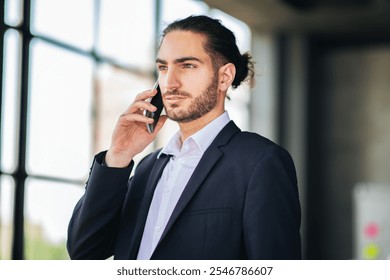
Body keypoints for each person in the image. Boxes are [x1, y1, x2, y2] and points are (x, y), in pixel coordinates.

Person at [67, 15, 301, 260]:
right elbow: (85, 252)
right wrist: (118, 156)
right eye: (163, 67)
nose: (170, 82)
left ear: (224, 77)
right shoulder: (147, 168)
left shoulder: (261, 162)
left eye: (187, 65)